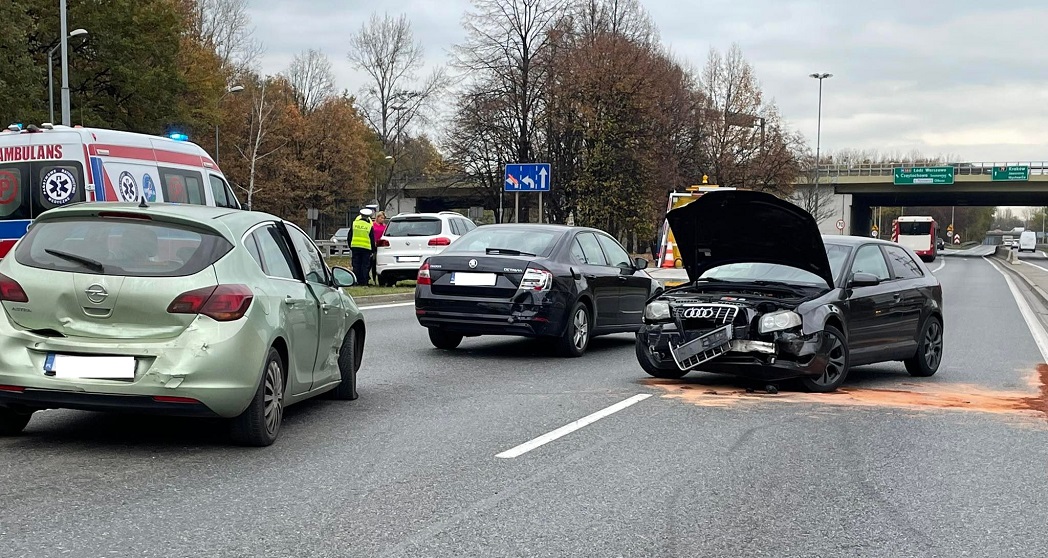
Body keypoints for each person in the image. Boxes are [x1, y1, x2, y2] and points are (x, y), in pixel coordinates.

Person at [350, 208, 375, 285]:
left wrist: (351, 246)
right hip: (366, 248)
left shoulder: (354, 224)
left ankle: (355, 281)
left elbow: (349, 236)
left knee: (356, 265)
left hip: (355, 248)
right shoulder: (369, 226)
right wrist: (373, 250)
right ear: (368, 217)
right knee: (365, 265)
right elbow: (372, 238)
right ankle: (364, 282)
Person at [370, 211, 387, 285]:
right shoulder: (373, 225)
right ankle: (373, 279)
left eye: (384, 218)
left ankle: (382, 280)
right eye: (381, 218)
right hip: (374, 246)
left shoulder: (384, 226)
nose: (382, 219)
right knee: (373, 263)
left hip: (382, 246)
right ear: (377, 217)